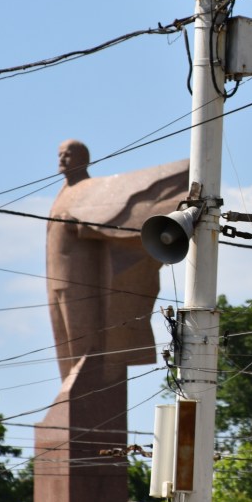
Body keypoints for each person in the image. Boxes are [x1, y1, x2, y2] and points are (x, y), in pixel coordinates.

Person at [45, 140, 188, 380]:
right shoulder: (63, 192)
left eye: (67, 154)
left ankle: (86, 383)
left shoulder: (90, 189)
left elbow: (112, 220)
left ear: (83, 159)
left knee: (84, 340)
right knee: (63, 340)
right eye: (60, 154)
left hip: (80, 278)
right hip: (55, 278)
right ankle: (71, 384)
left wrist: (84, 228)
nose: (62, 159)